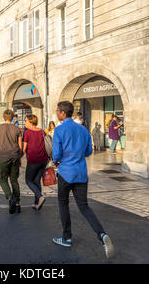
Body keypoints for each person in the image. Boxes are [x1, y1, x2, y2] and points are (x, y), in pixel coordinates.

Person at [52, 101, 115, 259]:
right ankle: (101, 234)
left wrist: (57, 160)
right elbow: (88, 151)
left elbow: (56, 155)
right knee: (84, 206)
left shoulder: (59, 130)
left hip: (65, 173)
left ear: (63, 113)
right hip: (81, 173)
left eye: (57, 111)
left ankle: (66, 237)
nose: (56, 113)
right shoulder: (83, 130)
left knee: (63, 203)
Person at [0, 109, 22, 214]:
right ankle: (17, 204)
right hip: (14, 156)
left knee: (2, 178)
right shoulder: (17, 128)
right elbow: (20, 146)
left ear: (3, 118)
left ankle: (10, 197)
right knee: (14, 180)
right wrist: (20, 158)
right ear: (13, 117)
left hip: (3, 156)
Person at [23, 114, 48, 210]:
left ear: (30, 121)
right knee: (37, 181)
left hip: (33, 160)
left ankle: (40, 196)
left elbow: (24, 148)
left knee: (28, 180)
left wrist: (19, 157)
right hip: (43, 160)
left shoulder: (27, 132)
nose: (25, 122)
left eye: (26, 121)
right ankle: (37, 203)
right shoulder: (42, 131)